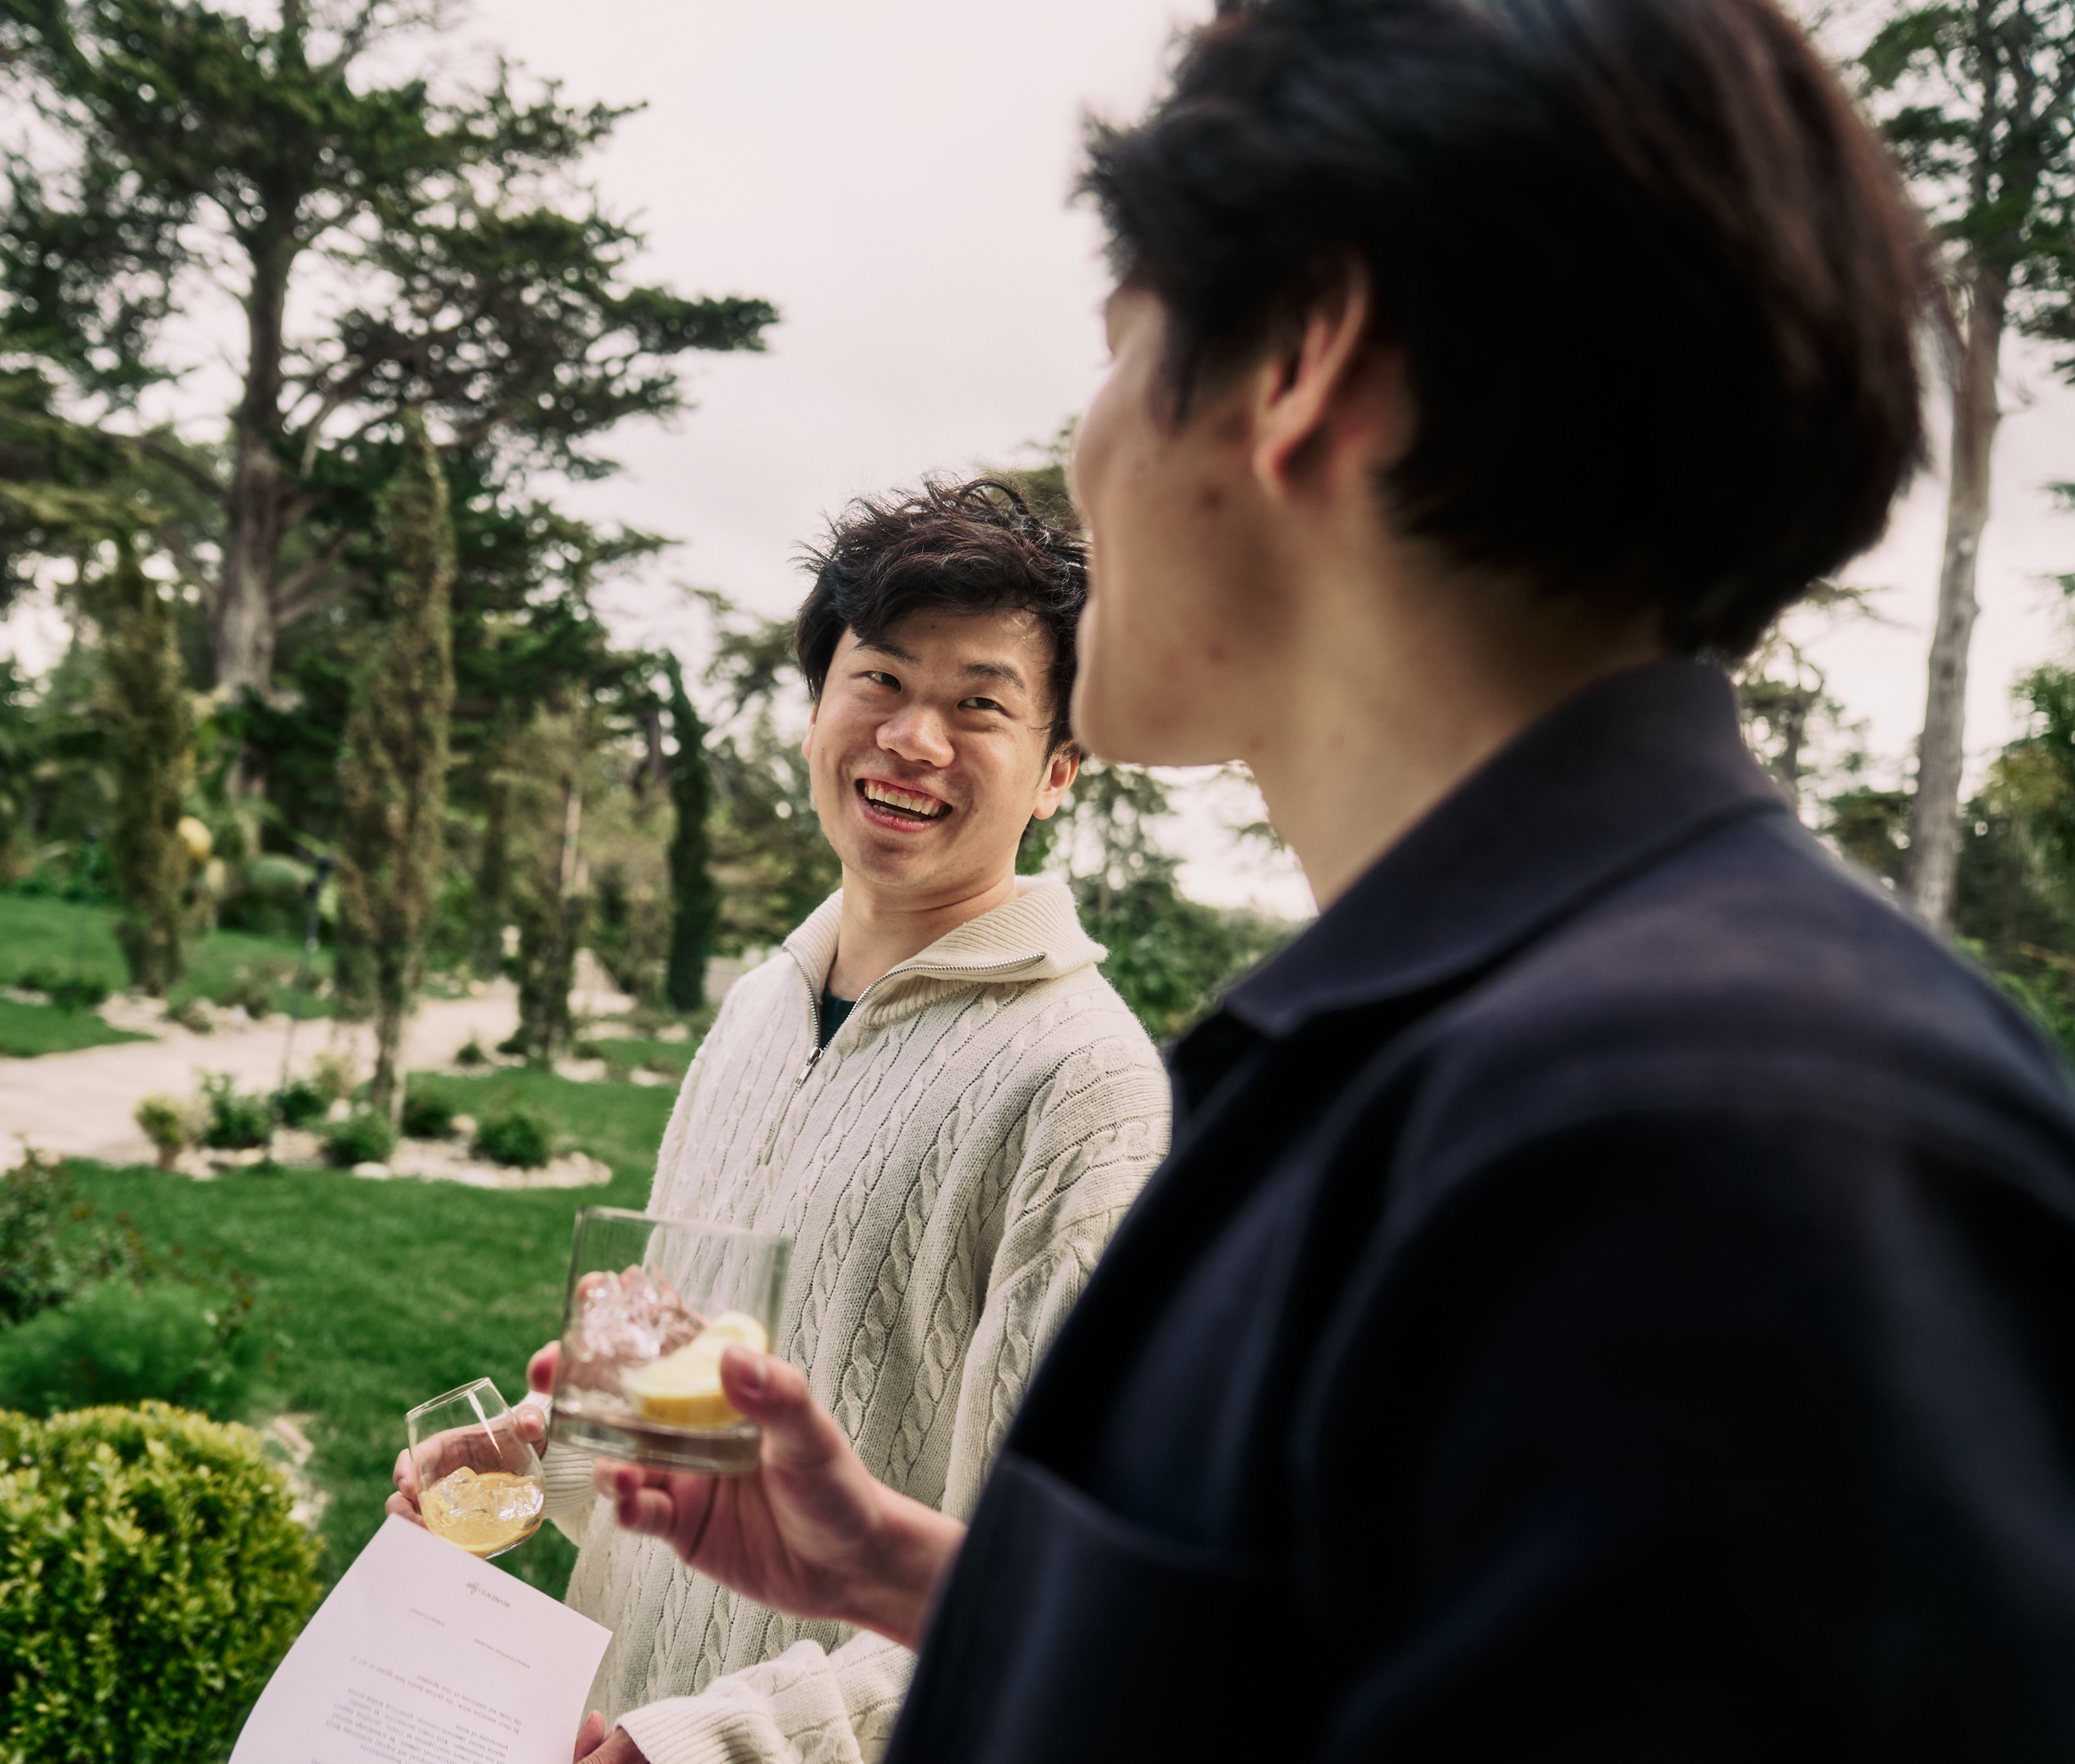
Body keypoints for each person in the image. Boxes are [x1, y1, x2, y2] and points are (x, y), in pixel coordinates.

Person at [589, 0, 2075, 1756]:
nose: (1089, 452)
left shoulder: (1717, 1131)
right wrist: (917, 1573)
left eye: (1121, 349)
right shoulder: (1486, 1064)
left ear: (1302, 364)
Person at [392, 480, 1174, 1762]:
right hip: (602, 1716)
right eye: (880, 680)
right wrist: (531, 1464)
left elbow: (1039, 1590)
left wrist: (711, 1744)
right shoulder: (762, 1005)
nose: (913, 738)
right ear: (817, 711)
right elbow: (670, 1433)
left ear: (1057, 773)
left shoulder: (1087, 1086)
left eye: (980, 705)